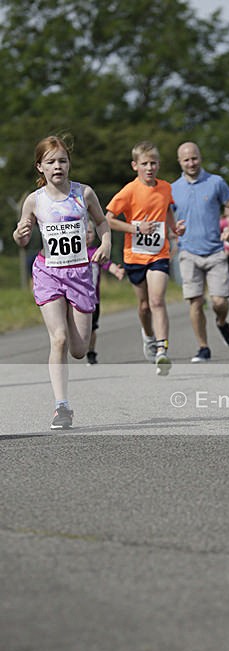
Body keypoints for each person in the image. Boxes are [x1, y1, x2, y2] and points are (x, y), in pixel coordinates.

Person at [13, 134, 111, 430]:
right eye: (51, 162)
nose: (58, 166)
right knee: (59, 339)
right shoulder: (34, 200)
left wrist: (106, 242)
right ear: (40, 167)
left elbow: (102, 221)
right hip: (49, 272)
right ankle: (62, 407)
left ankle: (73, 323)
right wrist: (20, 235)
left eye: (63, 161)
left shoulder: (85, 193)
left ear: (70, 164)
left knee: (78, 349)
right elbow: (22, 237)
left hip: (80, 275)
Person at [106, 140, 178, 376]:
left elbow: (168, 211)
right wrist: (135, 229)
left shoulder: (166, 188)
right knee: (144, 306)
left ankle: (162, 350)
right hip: (135, 254)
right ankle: (148, 335)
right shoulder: (129, 191)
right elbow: (107, 219)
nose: (150, 168)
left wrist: (175, 229)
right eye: (145, 164)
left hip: (159, 253)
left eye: (154, 163)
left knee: (157, 300)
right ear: (135, 165)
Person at [171, 142, 229, 363]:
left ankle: (221, 322)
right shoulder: (172, 189)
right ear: (180, 162)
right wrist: (174, 232)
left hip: (215, 251)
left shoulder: (216, 182)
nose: (191, 163)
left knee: (219, 301)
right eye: (186, 160)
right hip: (187, 251)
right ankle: (203, 347)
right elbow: (166, 218)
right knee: (195, 301)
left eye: (194, 158)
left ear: (200, 158)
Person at [85, 221, 125, 365]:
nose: (87, 235)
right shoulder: (74, 254)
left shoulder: (97, 252)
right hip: (76, 299)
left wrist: (116, 270)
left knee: (92, 328)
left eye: (90, 232)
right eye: (83, 231)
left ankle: (91, 352)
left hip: (93, 300)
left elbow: (107, 264)